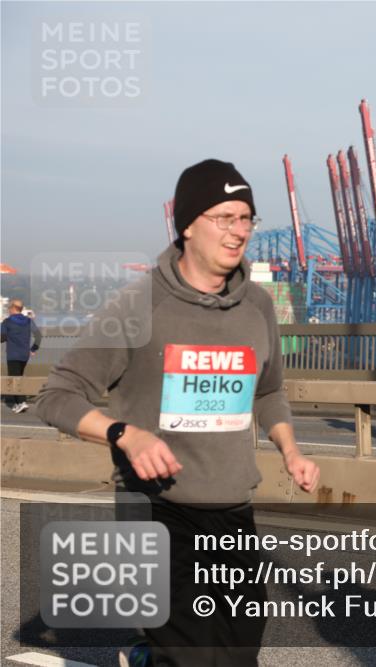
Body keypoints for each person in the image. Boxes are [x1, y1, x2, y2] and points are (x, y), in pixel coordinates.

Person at [35, 159, 320, 667]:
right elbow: (58, 395)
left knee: (238, 658)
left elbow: (269, 390)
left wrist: (291, 449)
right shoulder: (139, 304)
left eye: (246, 219)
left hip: (233, 510)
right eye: (224, 217)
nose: (238, 233)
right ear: (187, 224)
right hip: (157, 511)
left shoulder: (258, 306)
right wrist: (125, 434)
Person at [2, 298, 42, 413]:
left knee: (14, 378)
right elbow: (38, 336)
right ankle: (18, 403)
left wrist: (7, 336)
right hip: (25, 355)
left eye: (9, 307)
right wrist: (33, 348)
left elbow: (2, 337)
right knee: (18, 376)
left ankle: (21, 402)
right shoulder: (28, 321)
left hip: (13, 355)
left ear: (13, 308)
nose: (8, 309)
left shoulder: (7, 322)